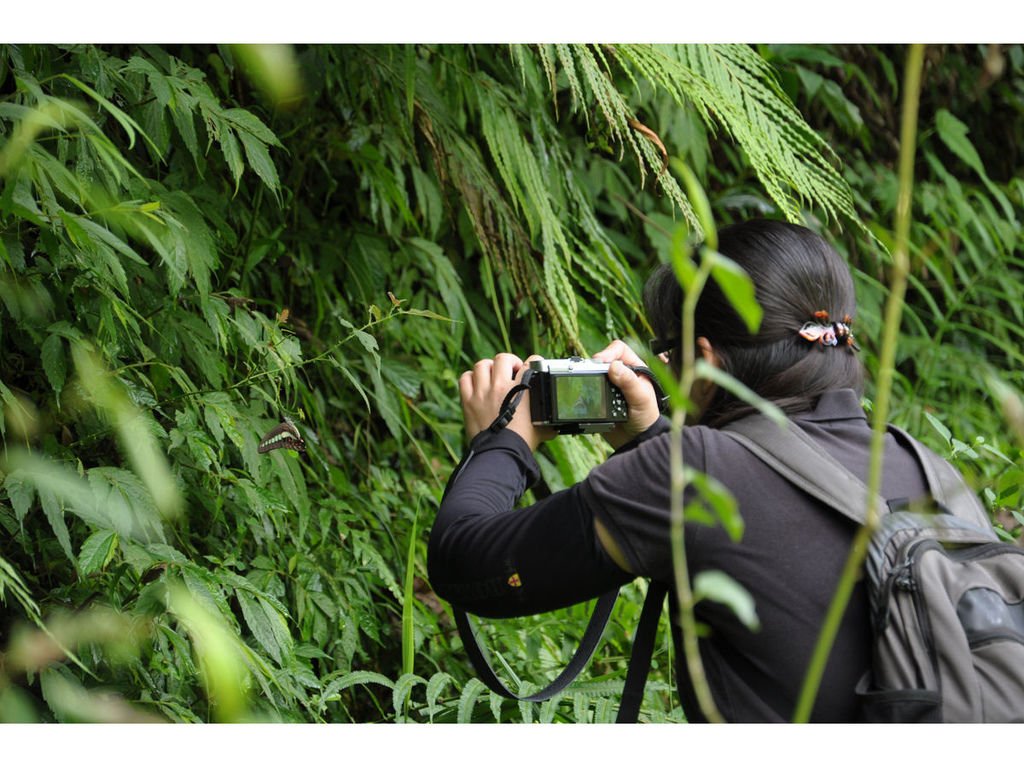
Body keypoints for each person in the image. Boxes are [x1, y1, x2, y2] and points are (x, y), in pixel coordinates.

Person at [427, 219, 934, 723]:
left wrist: (502, 442)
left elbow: (465, 562)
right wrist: (651, 438)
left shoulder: (695, 470)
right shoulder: (927, 469)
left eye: (669, 352)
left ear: (705, 358)